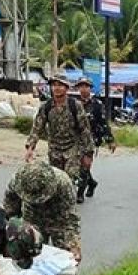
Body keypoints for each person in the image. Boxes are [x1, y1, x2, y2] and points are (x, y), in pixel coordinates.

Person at [4, 162, 82, 275]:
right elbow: (9, 209)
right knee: (29, 264)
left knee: (68, 264)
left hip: (59, 220)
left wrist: (73, 244)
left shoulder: (63, 183)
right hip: (32, 221)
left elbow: (70, 218)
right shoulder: (17, 181)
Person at [26, 71, 94, 204]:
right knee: (56, 179)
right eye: (54, 85)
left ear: (67, 88)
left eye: (60, 85)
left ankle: (68, 207)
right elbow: (37, 128)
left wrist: (88, 153)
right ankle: (59, 206)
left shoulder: (75, 106)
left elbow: (85, 130)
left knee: (68, 179)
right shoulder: (46, 107)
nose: (57, 88)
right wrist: (30, 148)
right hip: (54, 149)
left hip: (72, 149)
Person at [75, 76, 116, 202]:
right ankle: (91, 182)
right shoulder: (73, 103)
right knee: (77, 165)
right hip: (75, 139)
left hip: (91, 139)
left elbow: (103, 123)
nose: (83, 89)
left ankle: (80, 193)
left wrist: (110, 140)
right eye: (81, 86)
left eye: (86, 86)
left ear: (90, 88)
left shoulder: (97, 105)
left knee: (85, 165)